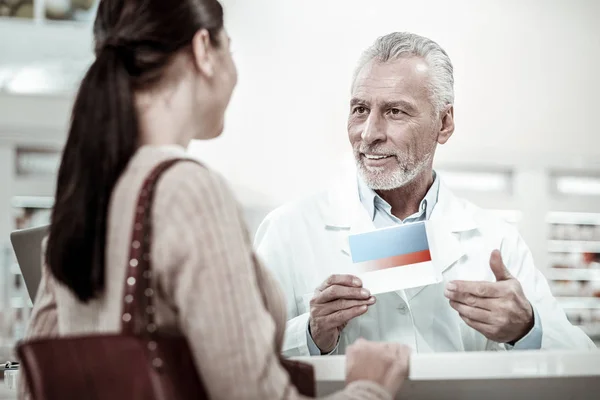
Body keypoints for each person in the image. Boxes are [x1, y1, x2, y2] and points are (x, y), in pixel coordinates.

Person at [17, 1, 411, 399]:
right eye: (230, 48)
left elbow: (33, 385)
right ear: (204, 49)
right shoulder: (188, 192)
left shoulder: (90, 196)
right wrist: (368, 388)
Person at [254, 32, 596, 357]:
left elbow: (582, 363)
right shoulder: (289, 230)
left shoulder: (497, 240)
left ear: (444, 123)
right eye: (360, 109)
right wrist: (310, 334)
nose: (369, 133)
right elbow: (237, 362)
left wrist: (527, 328)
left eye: (394, 111)